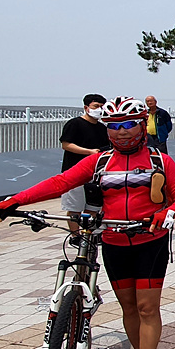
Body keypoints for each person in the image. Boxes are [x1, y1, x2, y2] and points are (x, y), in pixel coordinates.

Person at [0, 97, 175, 349]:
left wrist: (167, 213)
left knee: (146, 307)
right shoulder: (100, 161)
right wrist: (13, 201)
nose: (121, 131)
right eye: (113, 126)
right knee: (128, 307)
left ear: (141, 125)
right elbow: (60, 182)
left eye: (127, 124)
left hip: (149, 242)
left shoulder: (160, 161)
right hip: (113, 242)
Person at [58, 94, 110, 240]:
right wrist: (89, 152)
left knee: (93, 207)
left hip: (94, 174)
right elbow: (66, 144)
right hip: (74, 172)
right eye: (96, 106)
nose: (99, 110)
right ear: (86, 108)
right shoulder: (75, 124)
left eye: (102, 107)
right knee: (74, 207)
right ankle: (75, 236)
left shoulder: (102, 128)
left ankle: (89, 235)